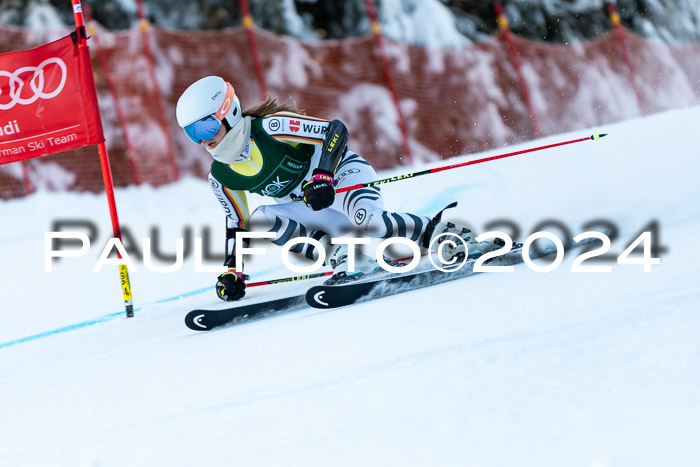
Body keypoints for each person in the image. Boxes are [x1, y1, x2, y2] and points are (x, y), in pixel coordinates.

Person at [176, 76, 500, 302]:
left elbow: (335, 130)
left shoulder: (271, 127)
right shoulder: (221, 176)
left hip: (342, 177)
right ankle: (344, 257)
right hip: (312, 207)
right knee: (259, 219)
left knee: (371, 223)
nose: (203, 139)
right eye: (193, 133)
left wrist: (324, 176)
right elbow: (238, 223)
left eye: (206, 126)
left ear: (228, 112)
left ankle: (445, 234)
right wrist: (233, 271)